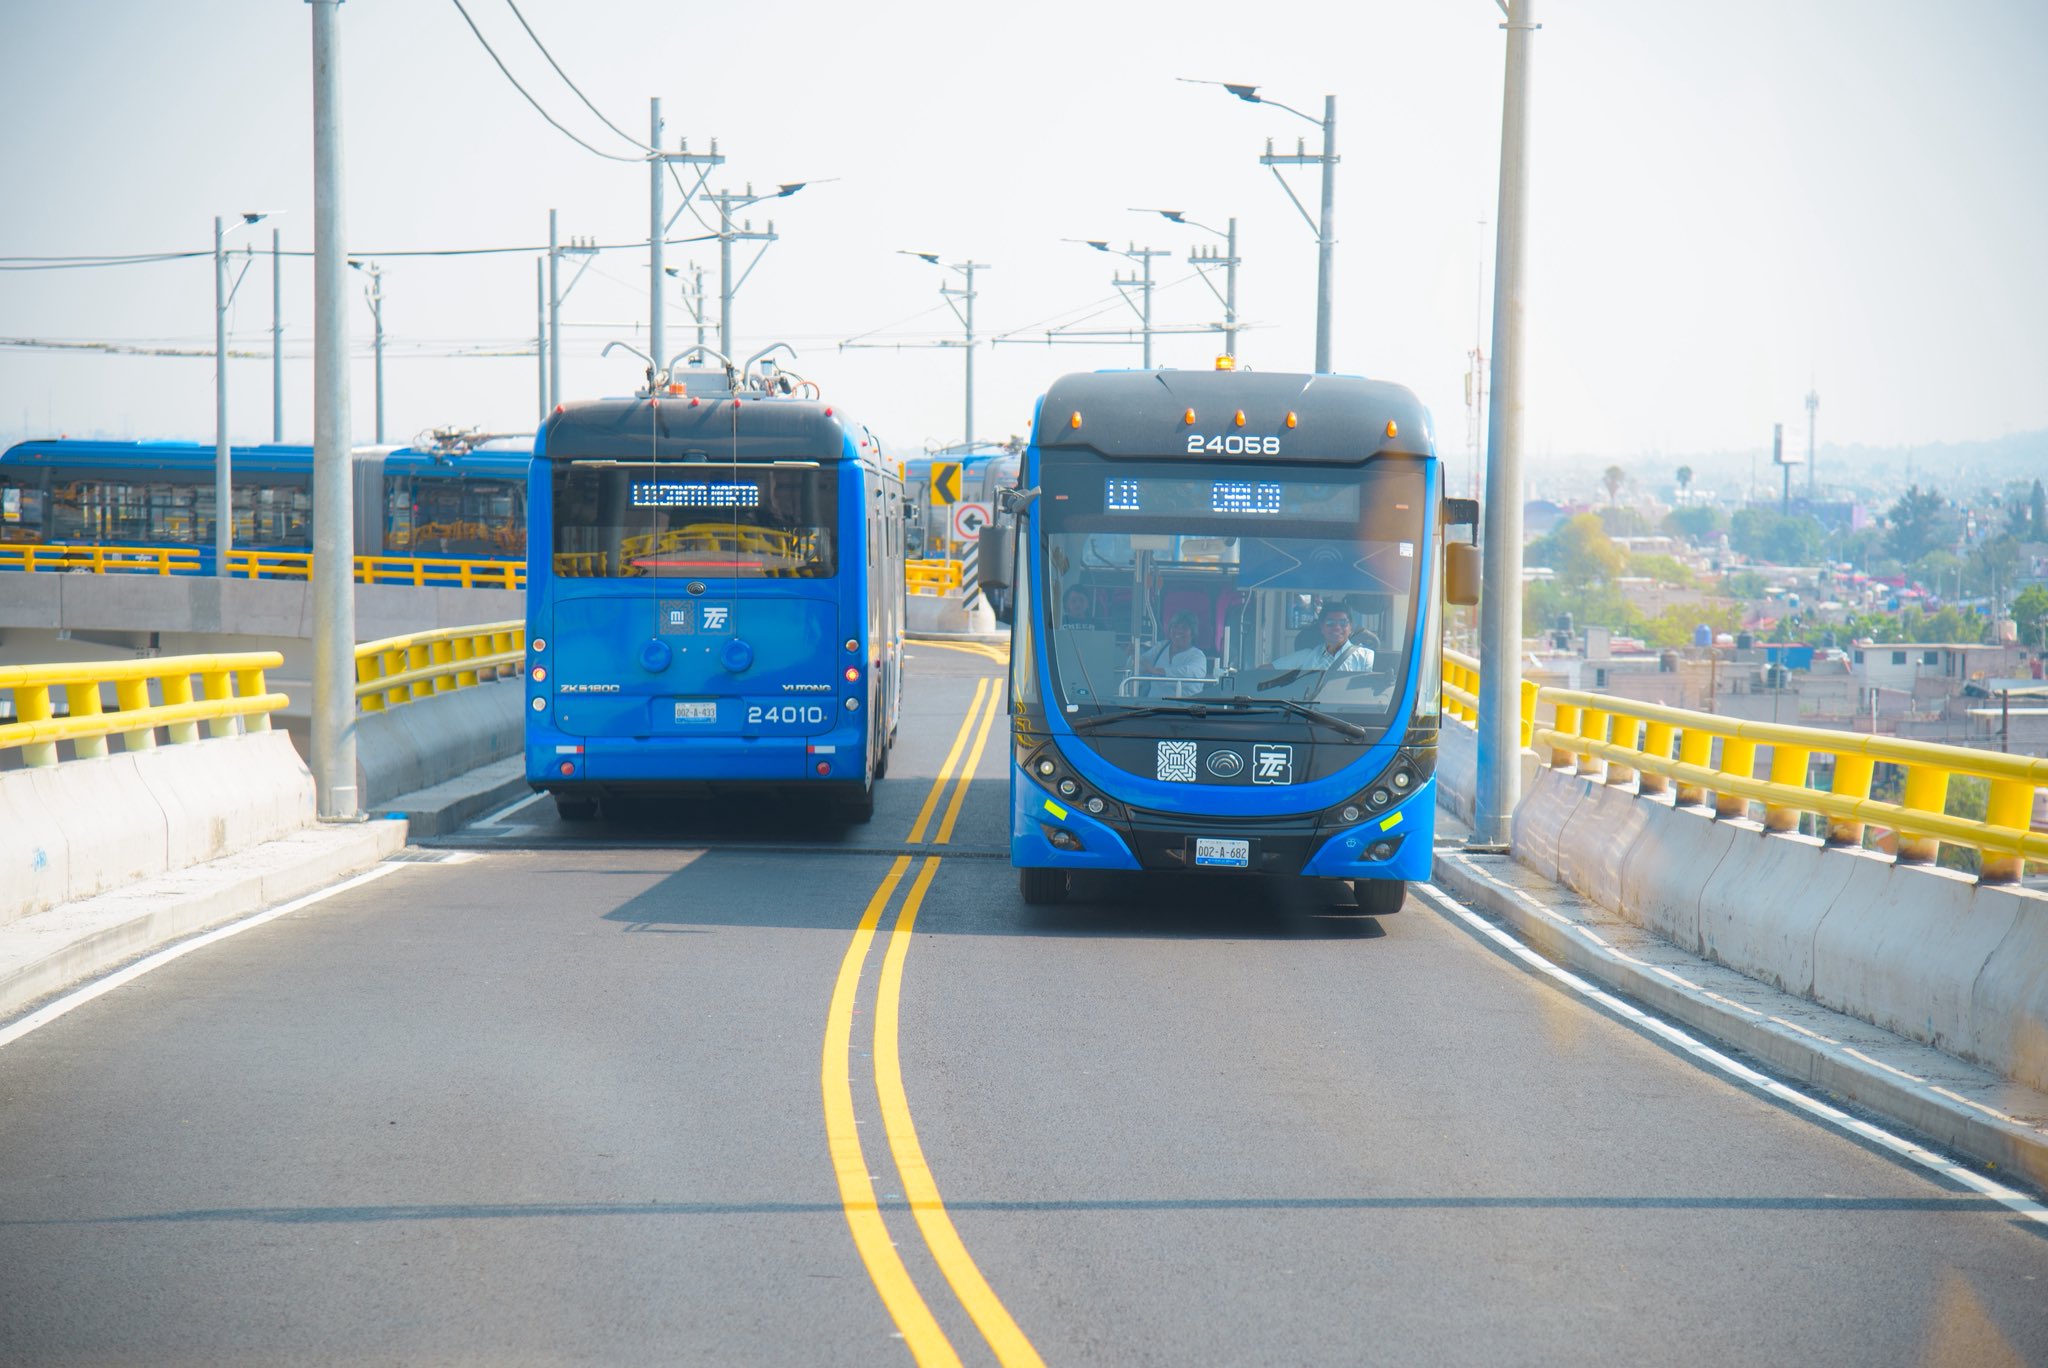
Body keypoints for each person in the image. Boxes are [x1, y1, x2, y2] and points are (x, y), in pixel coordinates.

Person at [1273, 601, 1375, 674]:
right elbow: (1263, 671)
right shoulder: (1305, 657)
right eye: (1330, 623)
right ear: (1321, 627)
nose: (1337, 628)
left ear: (1350, 627)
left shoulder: (1367, 657)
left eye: (1343, 623)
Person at [1133, 610, 1208, 694]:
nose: (1179, 631)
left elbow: (1190, 674)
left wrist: (1158, 671)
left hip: (1183, 706)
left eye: (1184, 628)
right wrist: (1134, 655)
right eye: (1175, 626)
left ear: (1193, 633)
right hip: (1152, 705)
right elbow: (1141, 666)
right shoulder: (1161, 647)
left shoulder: (1198, 656)